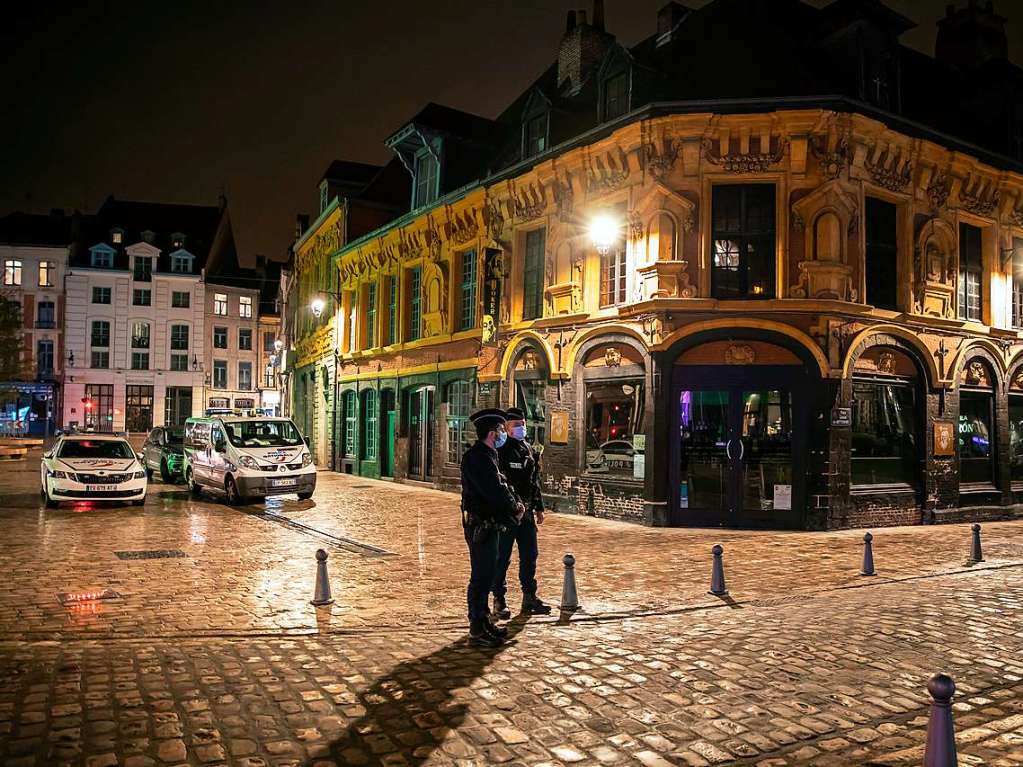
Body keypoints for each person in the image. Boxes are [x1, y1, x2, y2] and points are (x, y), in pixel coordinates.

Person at [460, 408, 525, 647]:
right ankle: (476, 629)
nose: (502, 433)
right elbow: (494, 490)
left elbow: (502, 483)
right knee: (481, 576)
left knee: (487, 575)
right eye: (499, 430)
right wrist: (514, 507)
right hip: (481, 525)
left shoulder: (489, 455)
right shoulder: (478, 457)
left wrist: (514, 502)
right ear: (491, 432)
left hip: (490, 523)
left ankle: (484, 620)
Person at [492, 407, 552, 618]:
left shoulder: (527, 449)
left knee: (530, 555)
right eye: (516, 425)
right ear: (507, 428)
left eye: (523, 424)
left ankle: (529, 597)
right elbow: (499, 483)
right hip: (508, 514)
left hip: (526, 513)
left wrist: (539, 508)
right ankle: (498, 599)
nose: (521, 428)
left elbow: (534, 482)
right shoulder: (501, 452)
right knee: (502, 557)